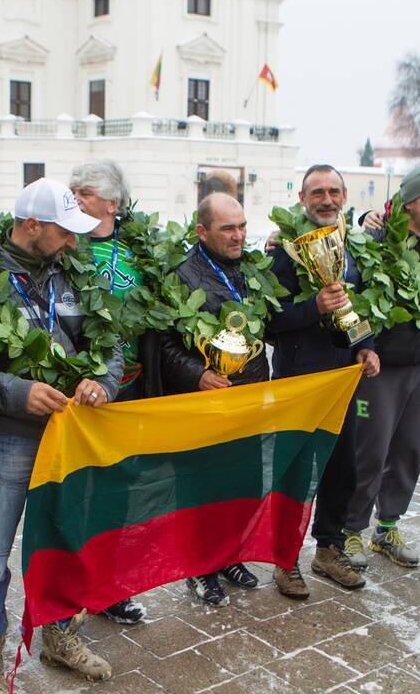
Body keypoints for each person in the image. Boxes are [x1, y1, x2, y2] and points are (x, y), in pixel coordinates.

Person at [0, 178, 121, 693]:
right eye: (64, 232)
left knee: (67, 544)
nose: (74, 242)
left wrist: (105, 382)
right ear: (32, 226)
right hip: (6, 438)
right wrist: (14, 393)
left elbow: (110, 343)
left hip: (70, 435)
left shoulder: (74, 272)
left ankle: (61, 636)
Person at [267, 165, 379, 598]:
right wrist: (313, 306)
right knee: (294, 473)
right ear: (302, 197)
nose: (326, 199)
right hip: (298, 381)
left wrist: (368, 347)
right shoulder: (282, 254)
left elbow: (367, 309)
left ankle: (328, 548)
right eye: (318, 192)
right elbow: (270, 323)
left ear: (345, 195)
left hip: (342, 380)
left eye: (334, 191)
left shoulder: (359, 251)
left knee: (342, 468)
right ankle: (284, 558)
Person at [161, 192, 278, 606]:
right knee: (203, 489)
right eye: (228, 228)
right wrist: (198, 374)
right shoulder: (183, 276)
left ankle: (230, 556)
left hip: (248, 399)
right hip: (205, 403)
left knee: (242, 484)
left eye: (243, 225)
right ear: (201, 231)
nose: (238, 235)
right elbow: (165, 344)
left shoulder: (252, 270)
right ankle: (199, 568)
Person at [344, 166, 420, 570]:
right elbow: (352, 293)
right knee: (370, 450)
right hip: (381, 366)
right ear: (408, 202)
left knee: (410, 450)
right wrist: (362, 345)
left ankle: (387, 527)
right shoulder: (378, 241)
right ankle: (352, 530)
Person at [70, 160, 156, 626]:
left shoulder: (140, 251)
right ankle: (78, 586)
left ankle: (111, 587)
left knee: (123, 494)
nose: (75, 199)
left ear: (112, 203)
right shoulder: (66, 247)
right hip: (85, 393)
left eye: (84, 192)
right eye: (73, 191)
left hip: (133, 389)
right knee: (84, 492)